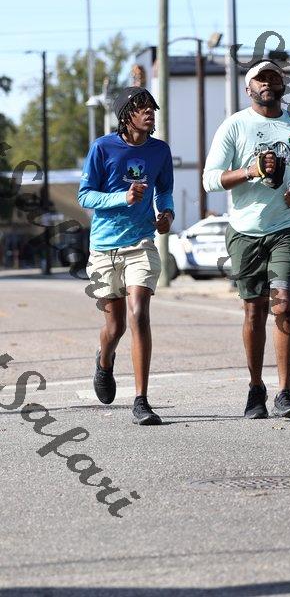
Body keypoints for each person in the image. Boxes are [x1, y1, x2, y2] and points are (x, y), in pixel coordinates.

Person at [203, 60, 290, 420]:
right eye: (260, 79)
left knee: (284, 305)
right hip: (246, 231)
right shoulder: (234, 126)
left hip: (288, 228)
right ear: (249, 89)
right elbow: (210, 179)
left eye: (273, 78)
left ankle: (285, 392)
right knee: (254, 310)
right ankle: (256, 388)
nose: (267, 83)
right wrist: (250, 171)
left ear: (283, 85)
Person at [78, 87, 174, 426]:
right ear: (125, 115)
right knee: (115, 326)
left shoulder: (160, 150)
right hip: (104, 247)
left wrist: (167, 214)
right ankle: (104, 360)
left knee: (139, 314)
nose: (149, 113)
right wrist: (123, 197)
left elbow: (165, 191)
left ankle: (141, 400)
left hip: (141, 243)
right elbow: (85, 196)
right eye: (141, 108)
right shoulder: (102, 148)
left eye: (152, 108)